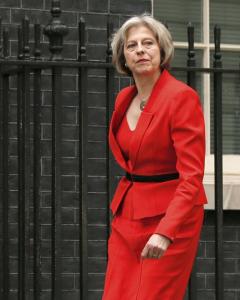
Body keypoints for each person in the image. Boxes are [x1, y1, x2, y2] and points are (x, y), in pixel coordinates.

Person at [102, 14, 207, 300]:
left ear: (162, 51)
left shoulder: (181, 98)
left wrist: (166, 231)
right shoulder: (124, 99)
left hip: (170, 217)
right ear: (123, 56)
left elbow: (192, 177)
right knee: (116, 294)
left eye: (148, 43)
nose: (140, 50)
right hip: (128, 215)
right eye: (131, 45)